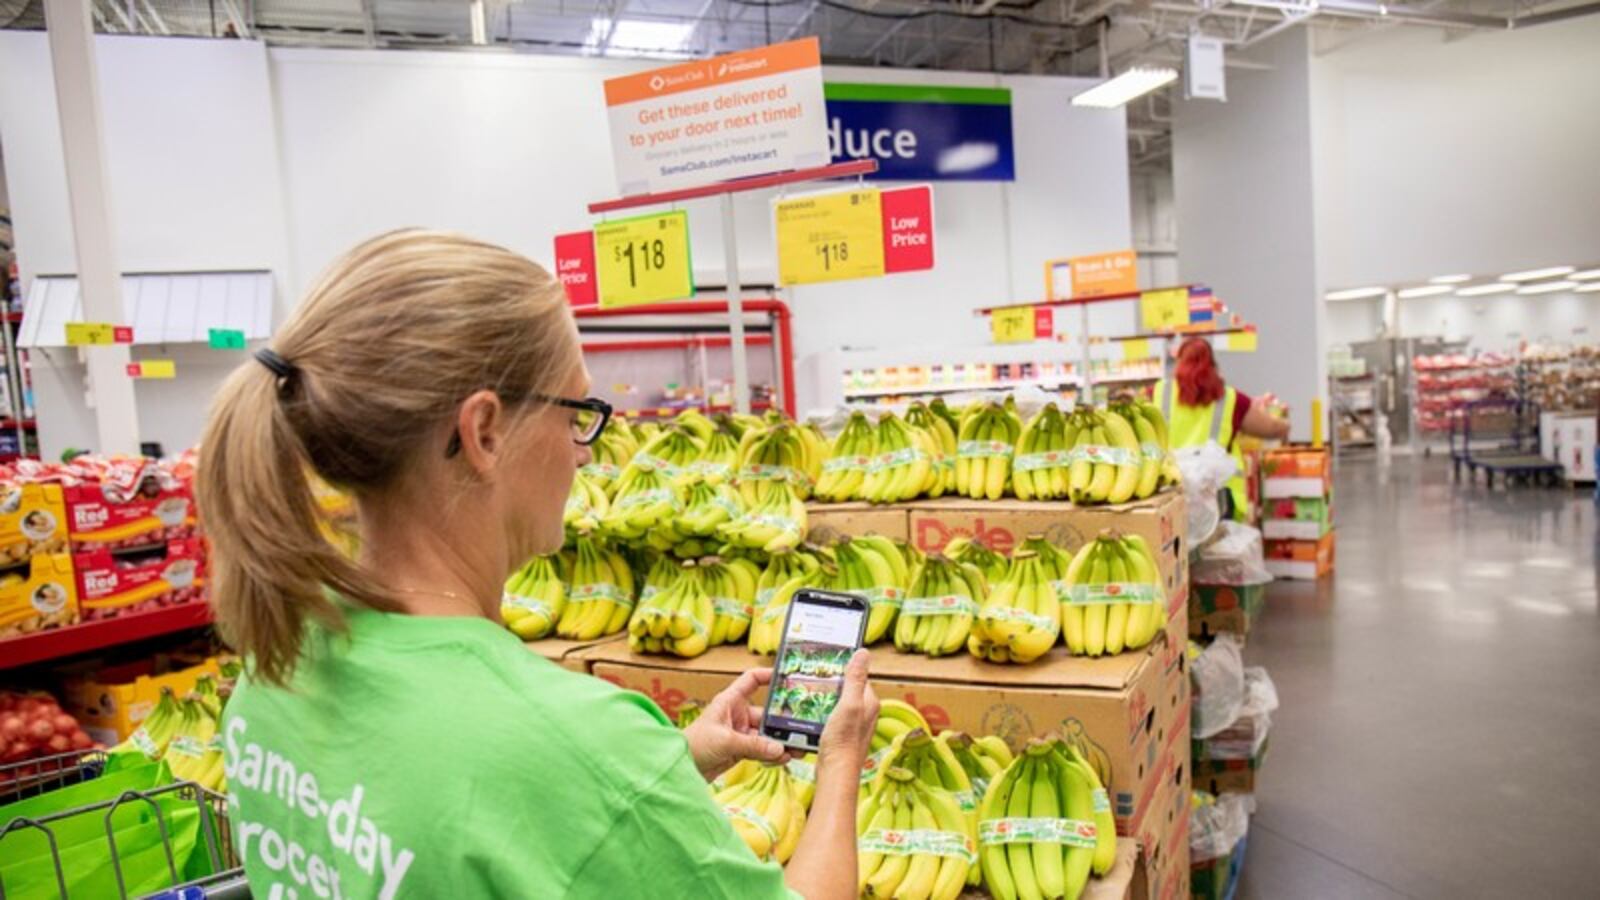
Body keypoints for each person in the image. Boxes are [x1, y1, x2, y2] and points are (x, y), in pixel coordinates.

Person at [198, 230, 877, 899]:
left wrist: (667, 768)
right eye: (576, 410)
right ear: (484, 432)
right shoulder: (576, 743)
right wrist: (841, 756)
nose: (584, 452)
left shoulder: (275, 671)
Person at [1152, 336, 1290, 521]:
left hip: (1171, 493)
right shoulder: (1230, 399)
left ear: (1179, 362)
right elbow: (1270, 428)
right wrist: (1285, 425)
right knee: (1219, 549)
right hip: (1219, 497)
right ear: (1213, 364)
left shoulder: (1158, 392)